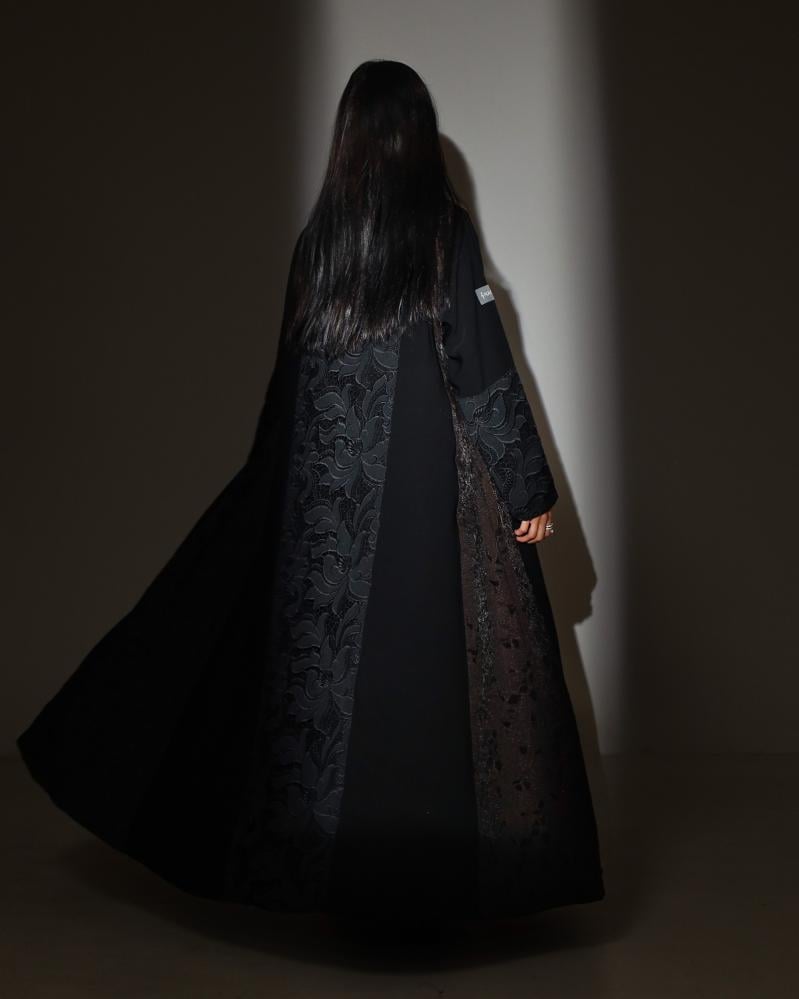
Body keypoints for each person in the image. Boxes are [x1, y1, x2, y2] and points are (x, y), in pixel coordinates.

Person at [17, 59, 605, 922]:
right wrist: (526, 488)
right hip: (420, 499)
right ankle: (421, 884)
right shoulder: (441, 233)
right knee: (419, 681)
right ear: (415, 136)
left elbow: (286, 379)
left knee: (318, 695)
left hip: (319, 507)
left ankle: (322, 876)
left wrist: (269, 486)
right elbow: (479, 369)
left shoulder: (317, 244)